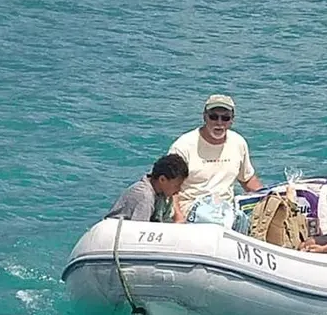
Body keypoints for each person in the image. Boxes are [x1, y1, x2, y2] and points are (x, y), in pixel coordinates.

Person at [168, 94, 264, 222]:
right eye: (213, 117)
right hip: (191, 208)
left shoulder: (238, 143)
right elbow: (169, 187)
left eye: (225, 118)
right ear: (204, 117)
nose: (219, 123)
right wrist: (179, 218)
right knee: (216, 221)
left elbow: (247, 179)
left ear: (232, 120)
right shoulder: (183, 146)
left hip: (225, 209)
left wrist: (267, 197)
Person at [105, 153, 189, 222]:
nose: (179, 189)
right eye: (177, 185)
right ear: (162, 179)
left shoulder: (162, 195)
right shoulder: (145, 197)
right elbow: (140, 231)